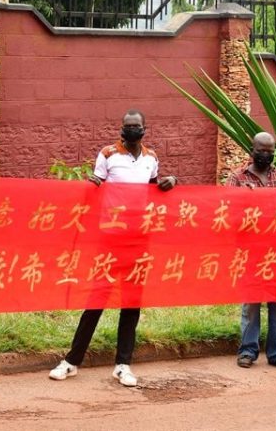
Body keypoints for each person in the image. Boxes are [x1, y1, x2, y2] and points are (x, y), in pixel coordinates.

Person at [49, 109, 177, 387]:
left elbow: (154, 188)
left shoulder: (151, 158)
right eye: (127, 126)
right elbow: (96, 187)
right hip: (110, 239)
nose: (132, 130)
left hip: (139, 239)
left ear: (144, 129)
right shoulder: (107, 155)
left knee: (131, 303)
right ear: (122, 129)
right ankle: (72, 361)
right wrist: (91, 185)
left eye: (137, 126)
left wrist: (172, 182)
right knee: (97, 299)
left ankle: (123, 364)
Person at [228, 132, 276, 371]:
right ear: (251, 149)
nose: (265, 154)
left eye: (270, 150)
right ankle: (248, 350)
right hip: (251, 250)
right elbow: (228, 213)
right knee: (252, 302)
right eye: (261, 150)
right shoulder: (237, 178)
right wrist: (243, 199)